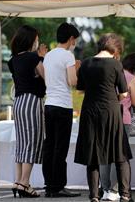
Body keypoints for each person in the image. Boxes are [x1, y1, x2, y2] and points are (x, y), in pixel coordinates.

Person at [74, 33, 134, 202]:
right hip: (111, 111)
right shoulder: (115, 64)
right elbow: (123, 93)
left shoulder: (85, 63)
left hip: (90, 111)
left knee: (92, 155)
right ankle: (125, 195)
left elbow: (80, 90)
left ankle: (94, 196)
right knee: (120, 153)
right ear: (115, 48)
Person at [7, 25, 47, 197]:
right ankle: (24, 183)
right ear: (31, 40)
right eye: (36, 39)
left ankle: (18, 181)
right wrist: (43, 59)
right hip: (32, 101)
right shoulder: (33, 57)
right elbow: (47, 78)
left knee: (22, 142)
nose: (37, 42)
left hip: (18, 102)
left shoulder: (13, 60)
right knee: (32, 141)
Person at [42, 22, 81, 197]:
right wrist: (77, 69)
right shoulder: (68, 56)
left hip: (49, 104)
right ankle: (58, 186)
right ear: (71, 38)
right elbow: (72, 82)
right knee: (61, 147)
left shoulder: (49, 55)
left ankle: (49, 185)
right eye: (75, 40)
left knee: (49, 145)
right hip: (63, 105)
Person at [99, 52, 135, 201]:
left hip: (105, 118)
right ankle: (113, 189)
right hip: (122, 119)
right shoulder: (132, 78)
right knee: (119, 156)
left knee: (105, 156)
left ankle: (105, 189)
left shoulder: (112, 73)